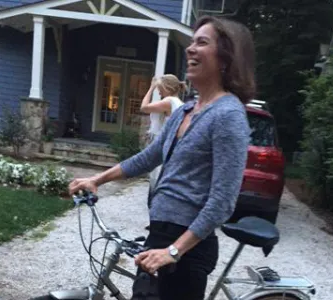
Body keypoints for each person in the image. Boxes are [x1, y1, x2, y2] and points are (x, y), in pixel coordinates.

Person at [68, 15, 256, 300]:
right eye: (191, 42)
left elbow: (222, 202)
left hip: (187, 251)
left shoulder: (228, 116)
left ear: (225, 58)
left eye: (201, 43)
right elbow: (148, 158)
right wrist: (98, 179)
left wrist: (174, 251)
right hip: (159, 236)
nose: (190, 49)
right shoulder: (183, 111)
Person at [139, 74, 185, 214]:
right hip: (168, 143)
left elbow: (144, 107)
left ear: (167, 88)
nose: (159, 92)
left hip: (161, 143)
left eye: (160, 89)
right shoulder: (180, 104)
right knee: (160, 178)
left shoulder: (169, 101)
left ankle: (155, 214)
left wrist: (151, 87)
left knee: (156, 178)